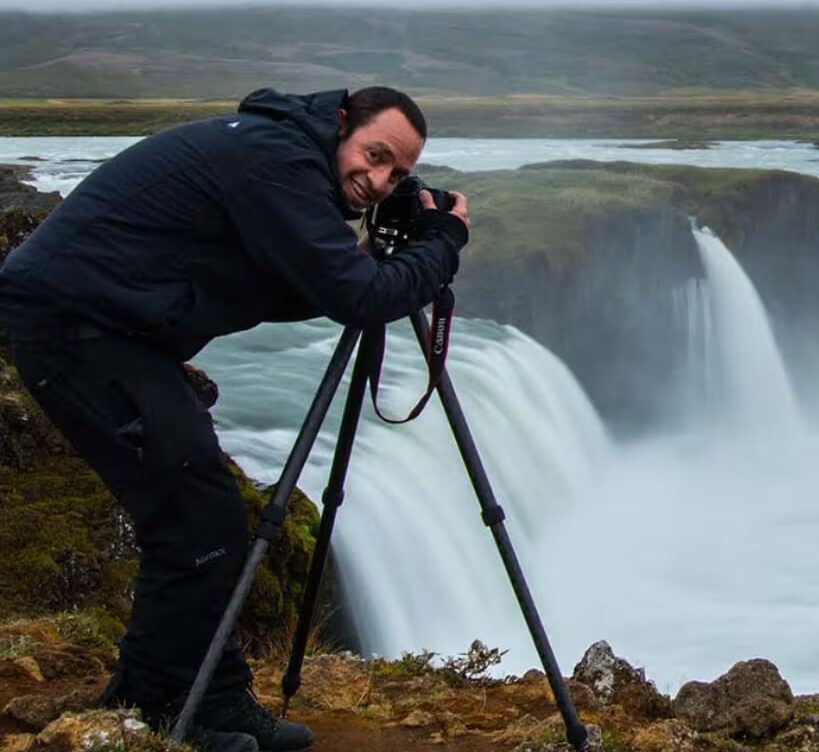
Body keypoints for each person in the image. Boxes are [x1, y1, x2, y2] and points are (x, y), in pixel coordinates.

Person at [0, 87, 470, 752]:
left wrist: (380, 261)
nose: (378, 180)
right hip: (73, 329)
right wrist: (443, 243)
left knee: (202, 515)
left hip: (110, 329)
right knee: (195, 515)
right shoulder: (275, 161)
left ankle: (208, 700)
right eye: (374, 155)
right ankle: (163, 706)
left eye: (396, 173)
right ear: (341, 125)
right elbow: (355, 299)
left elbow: (300, 285)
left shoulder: (277, 157)